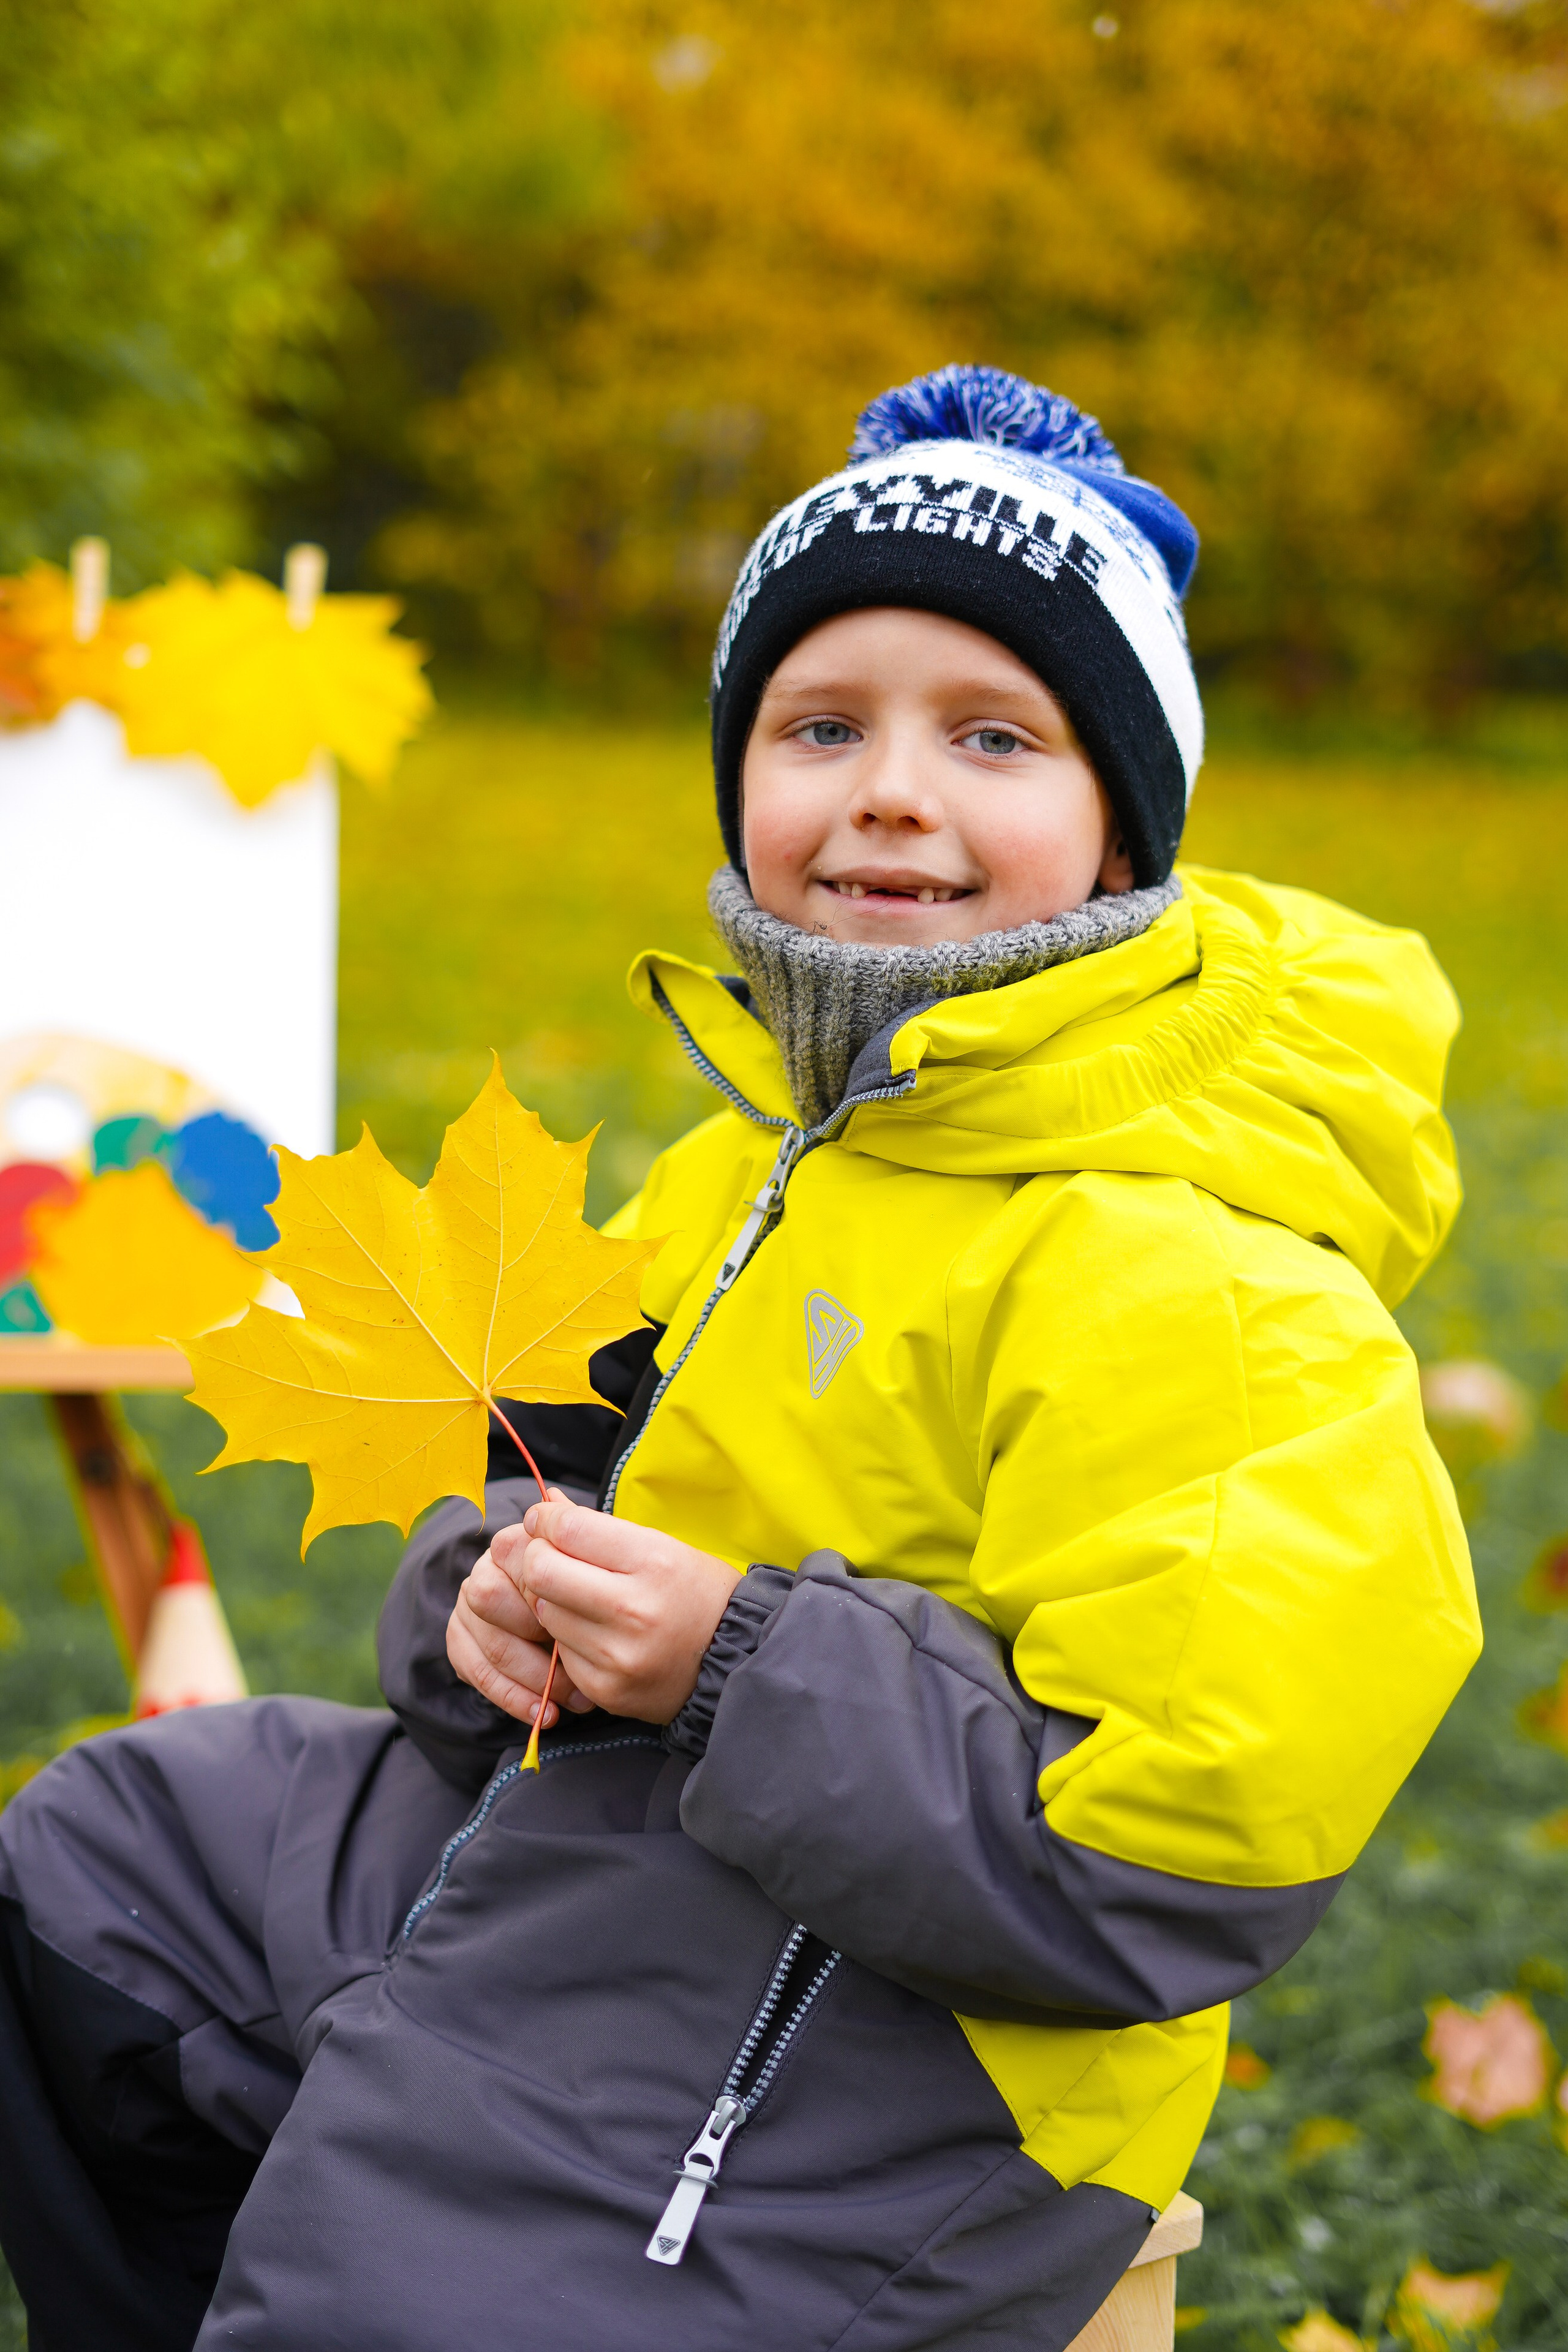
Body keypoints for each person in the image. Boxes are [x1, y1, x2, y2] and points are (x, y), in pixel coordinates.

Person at [0, 366, 1480, 2352]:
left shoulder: (1196, 1275)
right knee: (99, 1873)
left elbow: (1161, 1856)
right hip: (600, 1834)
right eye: (821, 724)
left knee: (414, 2267)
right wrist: (484, 1595)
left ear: (1124, 828)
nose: (891, 789)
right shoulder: (744, 1167)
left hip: (903, 2029)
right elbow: (542, 1485)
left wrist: (727, 1664)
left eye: (991, 735)